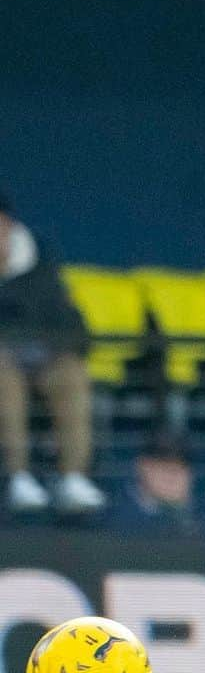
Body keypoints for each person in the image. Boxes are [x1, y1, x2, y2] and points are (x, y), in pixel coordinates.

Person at [0, 193, 105, 514]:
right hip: (5, 364)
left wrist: (55, 350)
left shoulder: (40, 264)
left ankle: (73, 477)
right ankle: (18, 476)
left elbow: (66, 321)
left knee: (71, 373)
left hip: (43, 357)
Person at [109, 432, 201, 535]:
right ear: (141, 467)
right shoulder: (117, 524)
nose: (172, 475)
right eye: (162, 465)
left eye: (181, 466)